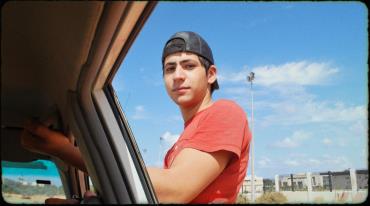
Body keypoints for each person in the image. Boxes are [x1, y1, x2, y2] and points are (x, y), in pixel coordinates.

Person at [21, 31, 252, 204]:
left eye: (188, 66)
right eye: (170, 69)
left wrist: (65, 151)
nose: (178, 76)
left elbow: (176, 190)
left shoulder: (225, 112)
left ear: (211, 74)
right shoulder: (180, 144)